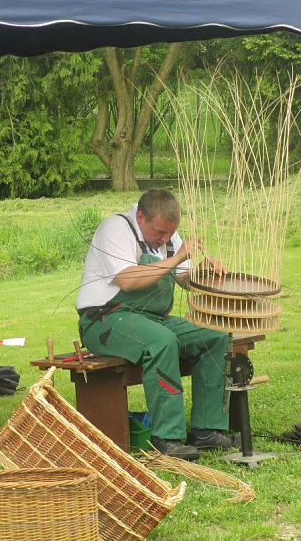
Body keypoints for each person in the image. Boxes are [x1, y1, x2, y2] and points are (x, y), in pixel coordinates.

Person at [76, 188, 237, 460]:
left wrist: (205, 273)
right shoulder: (115, 229)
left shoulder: (169, 234)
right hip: (104, 322)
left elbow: (185, 279)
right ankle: (167, 438)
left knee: (215, 336)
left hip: (151, 319)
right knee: (161, 342)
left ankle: (207, 430)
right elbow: (128, 280)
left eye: (169, 233)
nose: (165, 238)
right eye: (160, 233)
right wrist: (176, 259)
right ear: (141, 216)